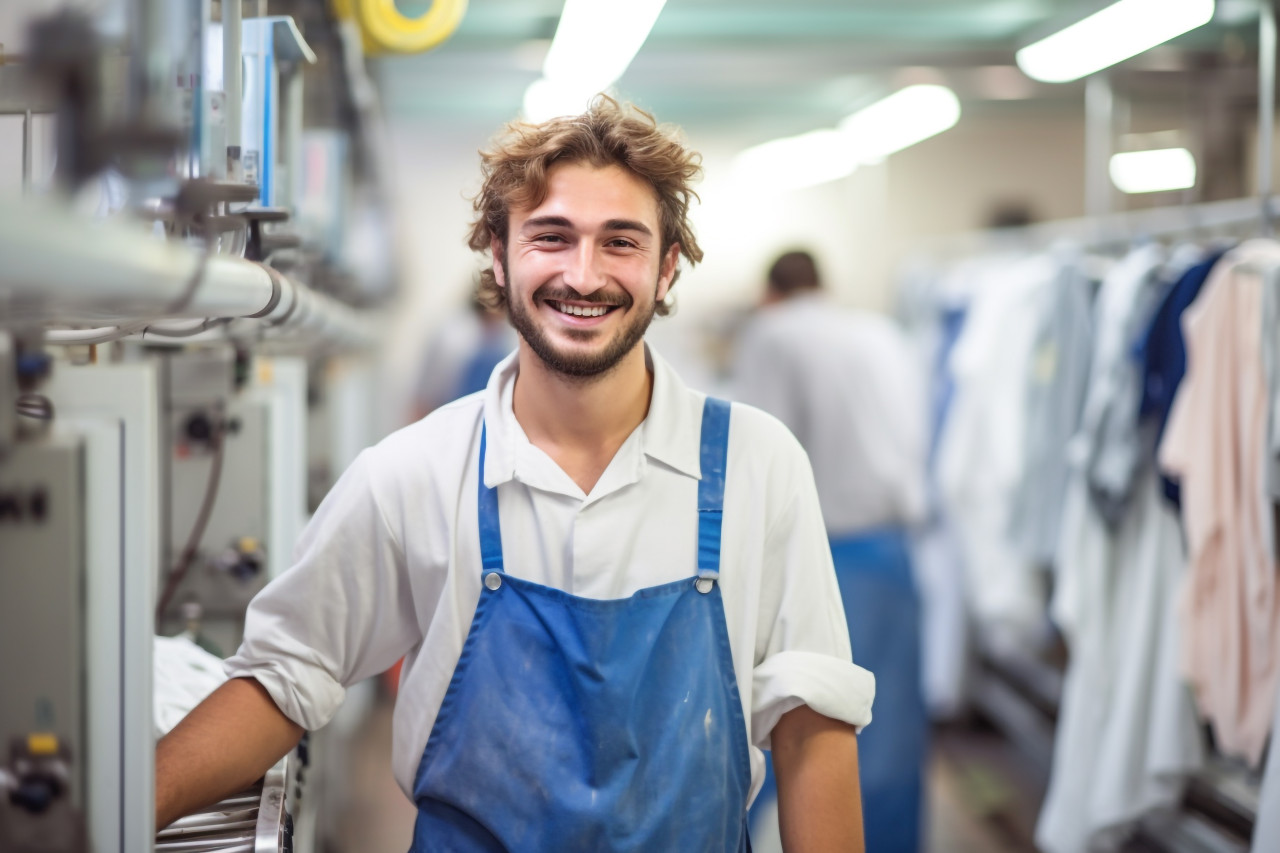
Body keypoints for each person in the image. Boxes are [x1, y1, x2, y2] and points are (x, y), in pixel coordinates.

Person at [155, 99, 875, 852]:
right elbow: (283, 675)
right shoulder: (415, 470)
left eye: (620, 242)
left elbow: (810, 728)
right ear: (497, 257)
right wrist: (115, 815)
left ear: (667, 268)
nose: (584, 275)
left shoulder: (759, 464)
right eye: (552, 237)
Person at [734, 250, 929, 853]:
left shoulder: (773, 333)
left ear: (772, 293)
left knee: (782, 728)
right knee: (889, 735)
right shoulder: (877, 332)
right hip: (893, 551)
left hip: (823, 553)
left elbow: (757, 450)